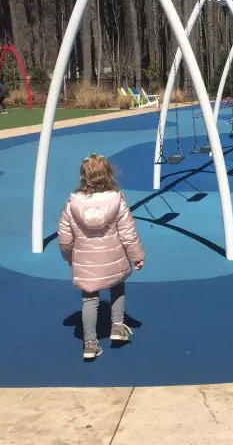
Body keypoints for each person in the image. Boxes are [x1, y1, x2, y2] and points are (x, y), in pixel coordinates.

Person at [58, 154, 145, 360]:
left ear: (83, 177)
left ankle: (90, 343)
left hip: (86, 262)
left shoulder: (73, 205)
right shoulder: (117, 201)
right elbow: (128, 233)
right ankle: (117, 326)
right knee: (117, 287)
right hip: (114, 257)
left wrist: (68, 256)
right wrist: (136, 256)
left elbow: (64, 236)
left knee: (89, 298)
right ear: (108, 175)